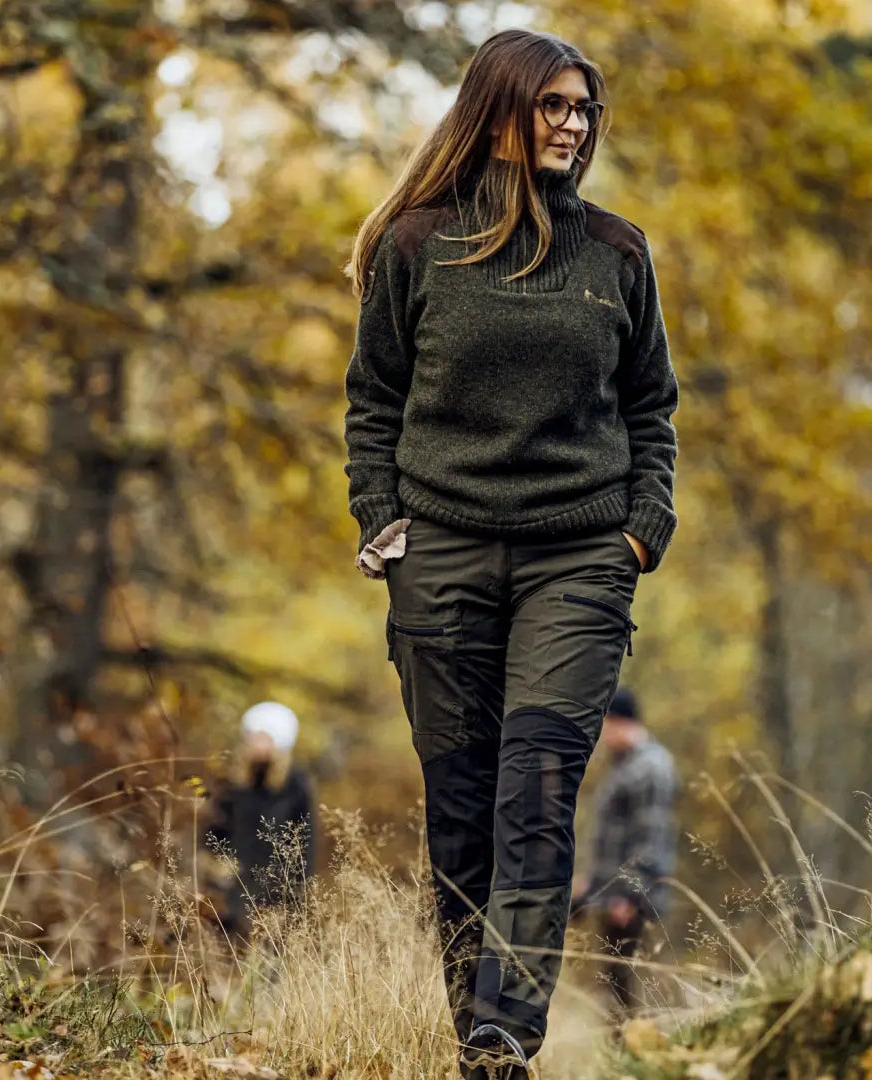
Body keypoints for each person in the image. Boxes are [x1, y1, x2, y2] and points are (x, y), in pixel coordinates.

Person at [343, 27, 678, 1080]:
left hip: (579, 559)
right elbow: (374, 401)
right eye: (555, 106)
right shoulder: (413, 245)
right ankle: (471, 1038)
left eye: (585, 109)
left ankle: (504, 1040)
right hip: (441, 556)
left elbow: (653, 408)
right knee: (461, 810)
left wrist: (639, 532)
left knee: (534, 791)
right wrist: (378, 516)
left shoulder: (617, 254)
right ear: (498, 110)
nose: (575, 125)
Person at [573, 687, 678, 1017]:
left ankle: (634, 1058)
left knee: (625, 984)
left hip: (630, 899)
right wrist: (591, 882)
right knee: (614, 982)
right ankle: (622, 1054)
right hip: (610, 893)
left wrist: (630, 896)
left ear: (621, 722)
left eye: (606, 725)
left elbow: (650, 838)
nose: (602, 735)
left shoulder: (649, 769)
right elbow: (612, 838)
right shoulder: (626, 766)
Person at [206, 701, 316, 936]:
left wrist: (295, 892)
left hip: (275, 890)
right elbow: (214, 829)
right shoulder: (233, 782)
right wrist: (215, 868)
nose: (257, 743)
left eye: (264, 737)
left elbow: (304, 844)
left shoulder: (295, 785)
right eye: (254, 737)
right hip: (233, 887)